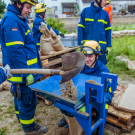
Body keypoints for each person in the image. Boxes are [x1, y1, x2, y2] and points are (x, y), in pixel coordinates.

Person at [0, 0, 47, 134]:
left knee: (19, 95)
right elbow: (16, 51)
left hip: (22, 71)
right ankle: (29, 128)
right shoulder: (12, 21)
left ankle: (20, 117)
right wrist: (27, 73)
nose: (29, 11)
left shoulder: (16, 18)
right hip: (23, 72)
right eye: (27, 7)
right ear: (18, 4)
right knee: (28, 100)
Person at [58, 41, 113, 132]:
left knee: (103, 106)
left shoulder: (104, 71)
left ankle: (99, 126)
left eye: (90, 56)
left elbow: (108, 92)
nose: (87, 59)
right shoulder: (81, 66)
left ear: (97, 56)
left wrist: (100, 99)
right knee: (67, 99)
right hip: (83, 93)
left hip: (98, 95)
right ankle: (69, 116)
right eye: (85, 56)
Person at [78, 0, 112, 65]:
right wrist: (80, 43)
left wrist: (108, 46)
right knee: (87, 67)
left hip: (101, 48)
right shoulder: (85, 12)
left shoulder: (105, 14)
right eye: (105, 0)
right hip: (87, 47)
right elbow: (80, 28)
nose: (106, 2)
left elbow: (108, 31)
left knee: (100, 67)